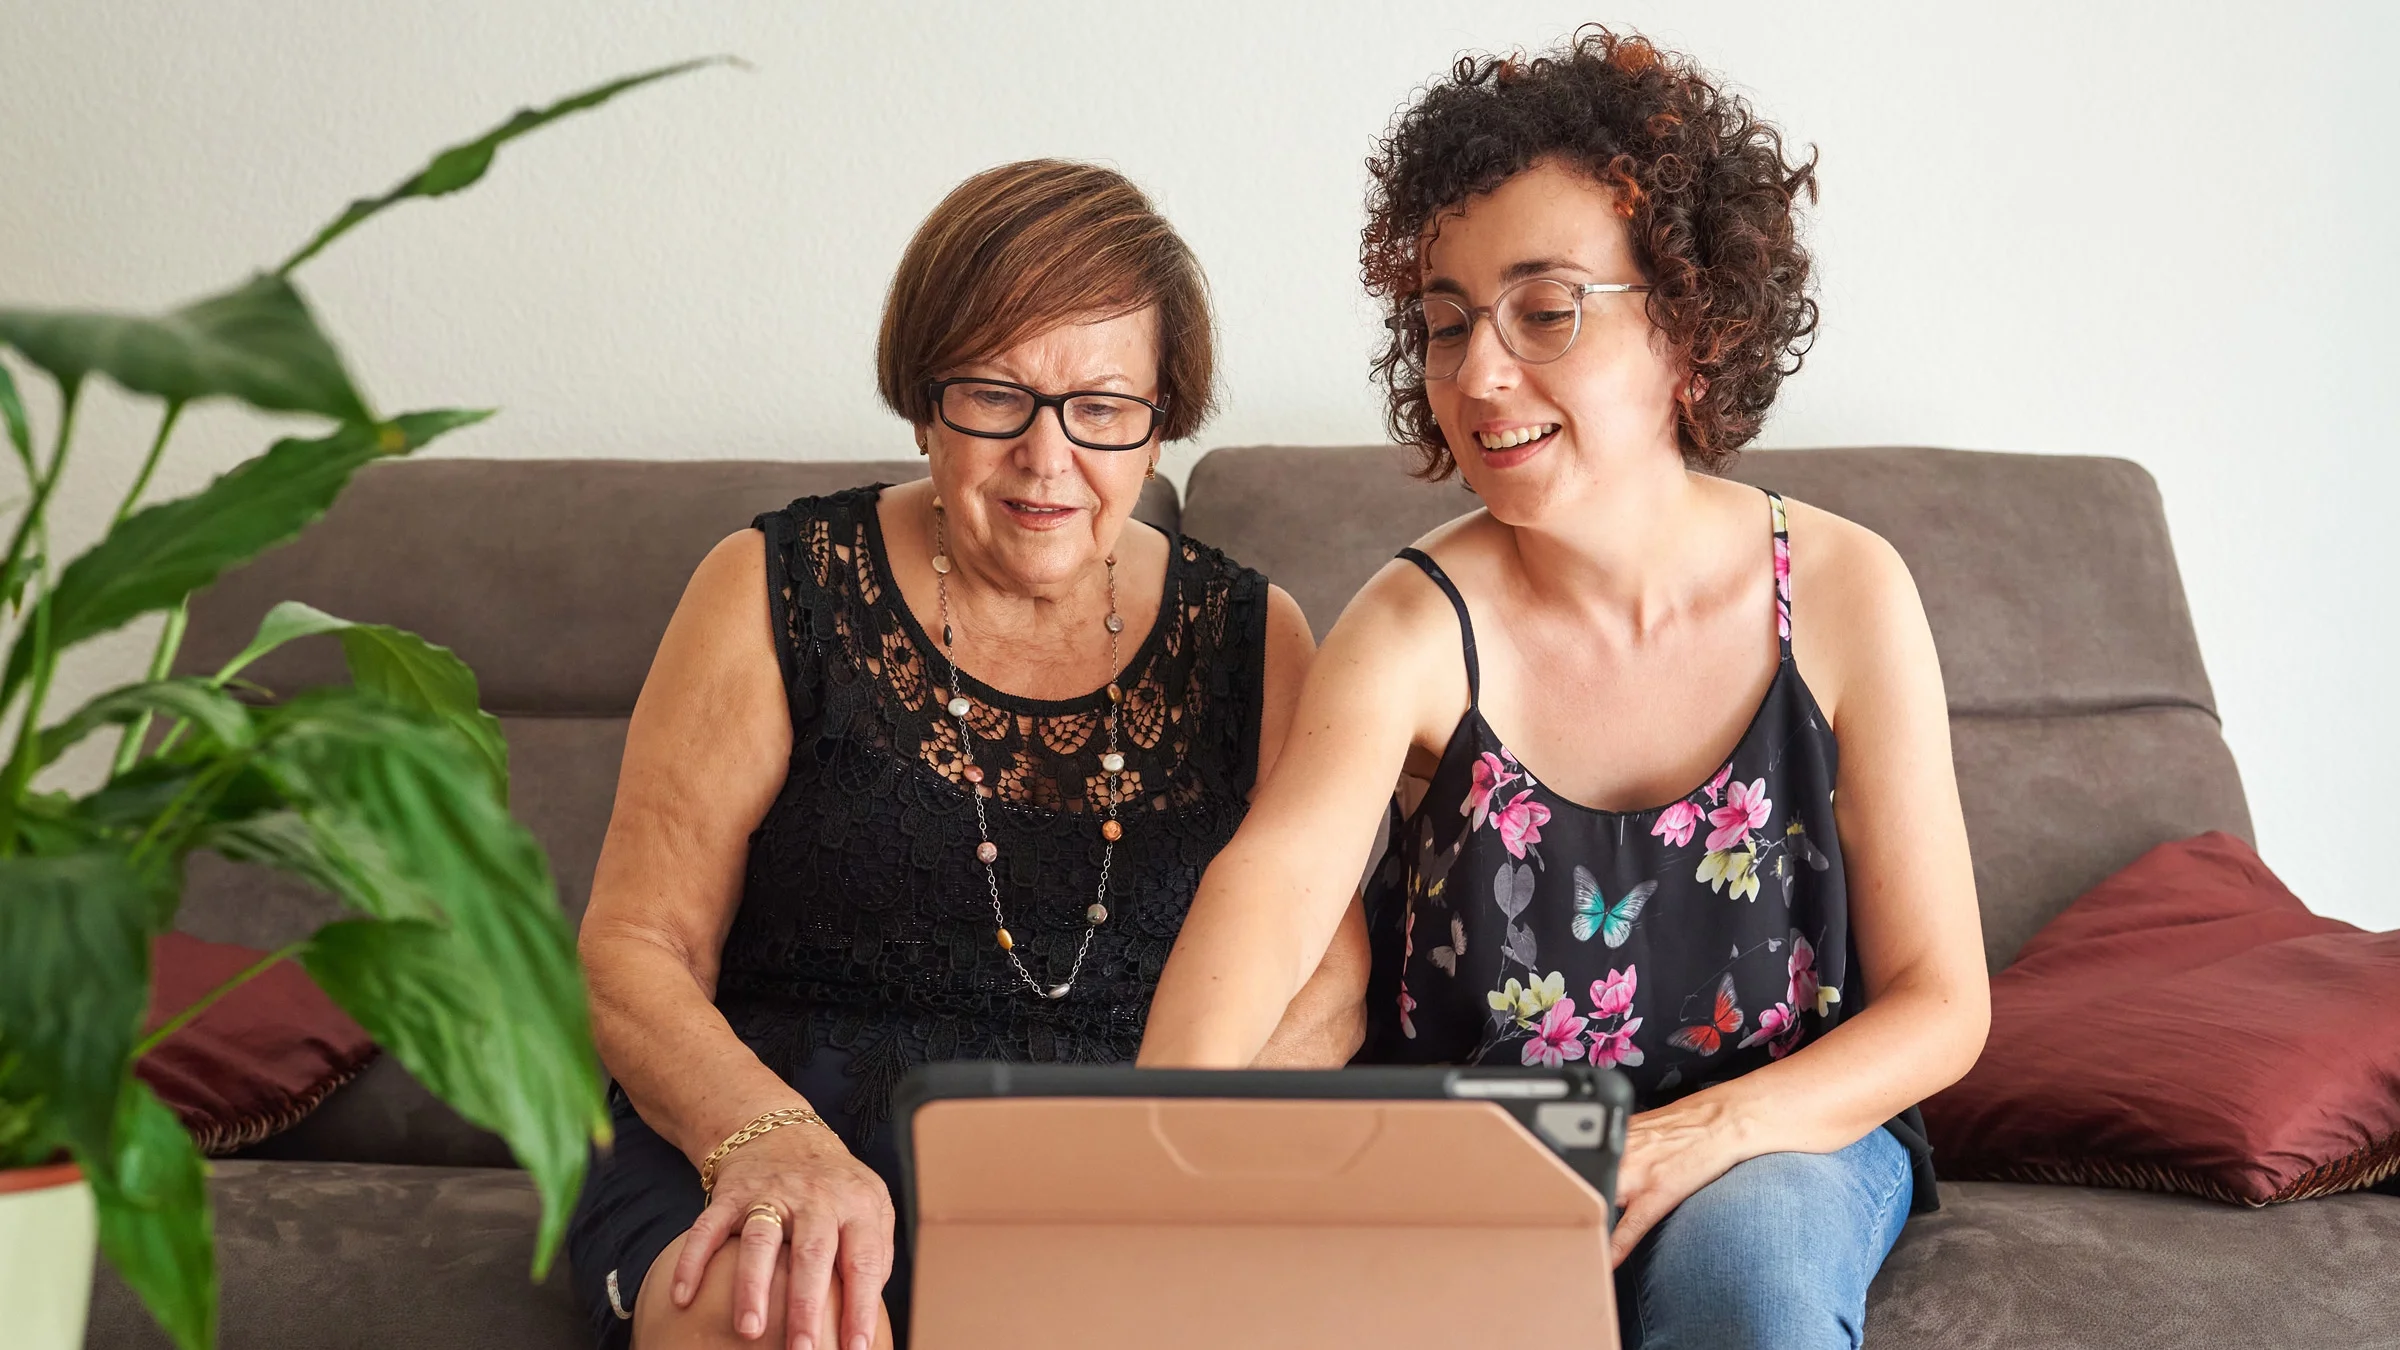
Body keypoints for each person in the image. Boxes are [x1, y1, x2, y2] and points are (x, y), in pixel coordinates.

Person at [1138, 29, 1990, 1350]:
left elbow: (1945, 1001)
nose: (1478, 374)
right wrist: (1145, 1167)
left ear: (1694, 328)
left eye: (1546, 310)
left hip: (1779, 1137)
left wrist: (1696, 1135)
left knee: (1749, 1278)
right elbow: (1274, 885)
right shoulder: (1414, 621)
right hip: (1478, 1161)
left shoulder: (1844, 591)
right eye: (1443, 322)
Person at [569, 159, 1366, 1350]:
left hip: (1116, 1174)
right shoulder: (769, 587)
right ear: (924, 398)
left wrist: (1166, 1157)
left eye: (1102, 408)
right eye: (997, 396)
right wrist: (772, 1142)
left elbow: (1329, 981)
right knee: (779, 1325)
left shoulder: (1259, 641)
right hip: (771, 1139)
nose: (1048, 461)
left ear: (1162, 424)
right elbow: (635, 946)